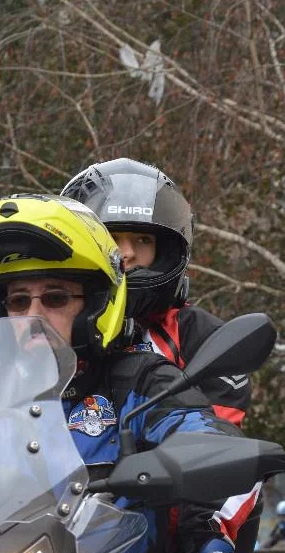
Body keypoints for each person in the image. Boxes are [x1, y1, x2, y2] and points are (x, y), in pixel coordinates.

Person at [0, 195, 285, 553]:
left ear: (95, 305)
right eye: (17, 300)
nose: (32, 316)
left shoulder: (139, 381)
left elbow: (207, 437)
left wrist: (206, 552)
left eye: (55, 298)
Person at [60, 158, 250, 427]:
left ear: (164, 251)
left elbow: (217, 435)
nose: (127, 252)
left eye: (143, 240)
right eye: (111, 237)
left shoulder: (198, 335)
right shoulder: (53, 319)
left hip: (168, 452)